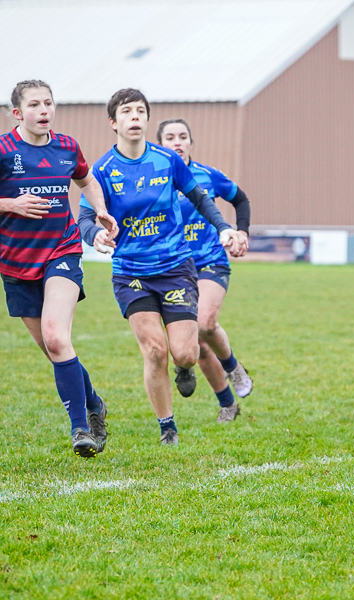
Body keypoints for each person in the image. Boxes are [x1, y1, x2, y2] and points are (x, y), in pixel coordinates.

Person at [78, 88, 244, 445]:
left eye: (140, 111)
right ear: (113, 122)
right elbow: (85, 217)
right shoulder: (102, 170)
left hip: (175, 269)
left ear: (147, 118)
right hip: (131, 273)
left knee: (185, 352)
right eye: (127, 111)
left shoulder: (167, 160)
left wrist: (223, 227)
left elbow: (200, 198)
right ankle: (167, 427)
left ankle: (185, 367)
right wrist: (95, 234)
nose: (134, 117)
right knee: (155, 350)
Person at [0, 80, 118, 458]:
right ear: (17, 113)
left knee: (55, 335)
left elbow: (87, 180)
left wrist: (100, 211)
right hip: (16, 263)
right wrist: (11, 204)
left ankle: (81, 428)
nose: (44, 110)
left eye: (48, 103)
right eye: (34, 105)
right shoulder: (3, 150)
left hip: (62, 251)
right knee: (54, 349)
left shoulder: (67, 146)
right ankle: (94, 402)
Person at [157, 119, 253, 423]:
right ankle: (228, 404)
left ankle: (233, 367)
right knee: (195, 342)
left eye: (182, 136)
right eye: (170, 137)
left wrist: (242, 232)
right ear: (159, 145)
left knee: (204, 323)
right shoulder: (152, 181)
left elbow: (240, 199)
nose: (177, 142)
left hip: (210, 261)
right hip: (173, 268)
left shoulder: (207, 176)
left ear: (190, 142)